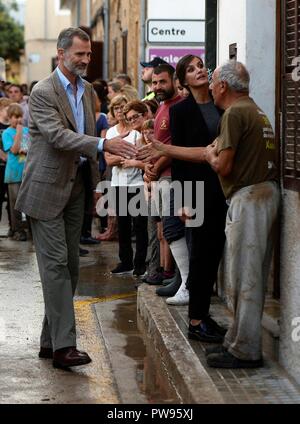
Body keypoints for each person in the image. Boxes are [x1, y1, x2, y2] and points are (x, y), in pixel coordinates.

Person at [15, 27, 136, 370]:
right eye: (79, 54)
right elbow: (57, 136)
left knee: (68, 268)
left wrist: (96, 186)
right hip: (45, 190)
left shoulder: (85, 91)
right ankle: (64, 348)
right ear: (61, 54)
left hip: (77, 188)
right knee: (54, 267)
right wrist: (102, 145)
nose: (86, 60)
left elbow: (84, 134)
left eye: (88, 55)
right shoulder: (42, 91)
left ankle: (50, 340)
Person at [204, 60, 279, 368]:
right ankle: (237, 342)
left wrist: (210, 153)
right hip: (263, 194)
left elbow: (223, 165)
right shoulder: (254, 109)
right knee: (249, 274)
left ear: (223, 86)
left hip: (250, 198)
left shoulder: (234, 113)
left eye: (213, 82)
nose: (210, 87)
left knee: (244, 276)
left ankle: (245, 350)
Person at [105, 96, 148, 276]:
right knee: (122, 225)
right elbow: (108, 159)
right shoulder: (111, 133)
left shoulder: (137, 131)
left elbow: (139, 156)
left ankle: (140, 263)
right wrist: (125, 158)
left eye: (122, 108)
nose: (119, 112)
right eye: (116, 108)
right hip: (118, 183)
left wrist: (122, 158)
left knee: (139, 226)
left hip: (137, 183)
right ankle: (125, 261)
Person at [2, 103, 29, 241]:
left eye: (20, 117)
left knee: (29, 203)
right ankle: (17, 229)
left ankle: (27, 229)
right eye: (15, 117)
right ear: (9, 118)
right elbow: (13, 150)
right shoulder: (7, 133)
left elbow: (28, 148)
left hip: (26, 172)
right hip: (13, 174)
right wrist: (18, 132)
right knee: (15, 204)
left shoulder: (27, 131)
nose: (18, 120)